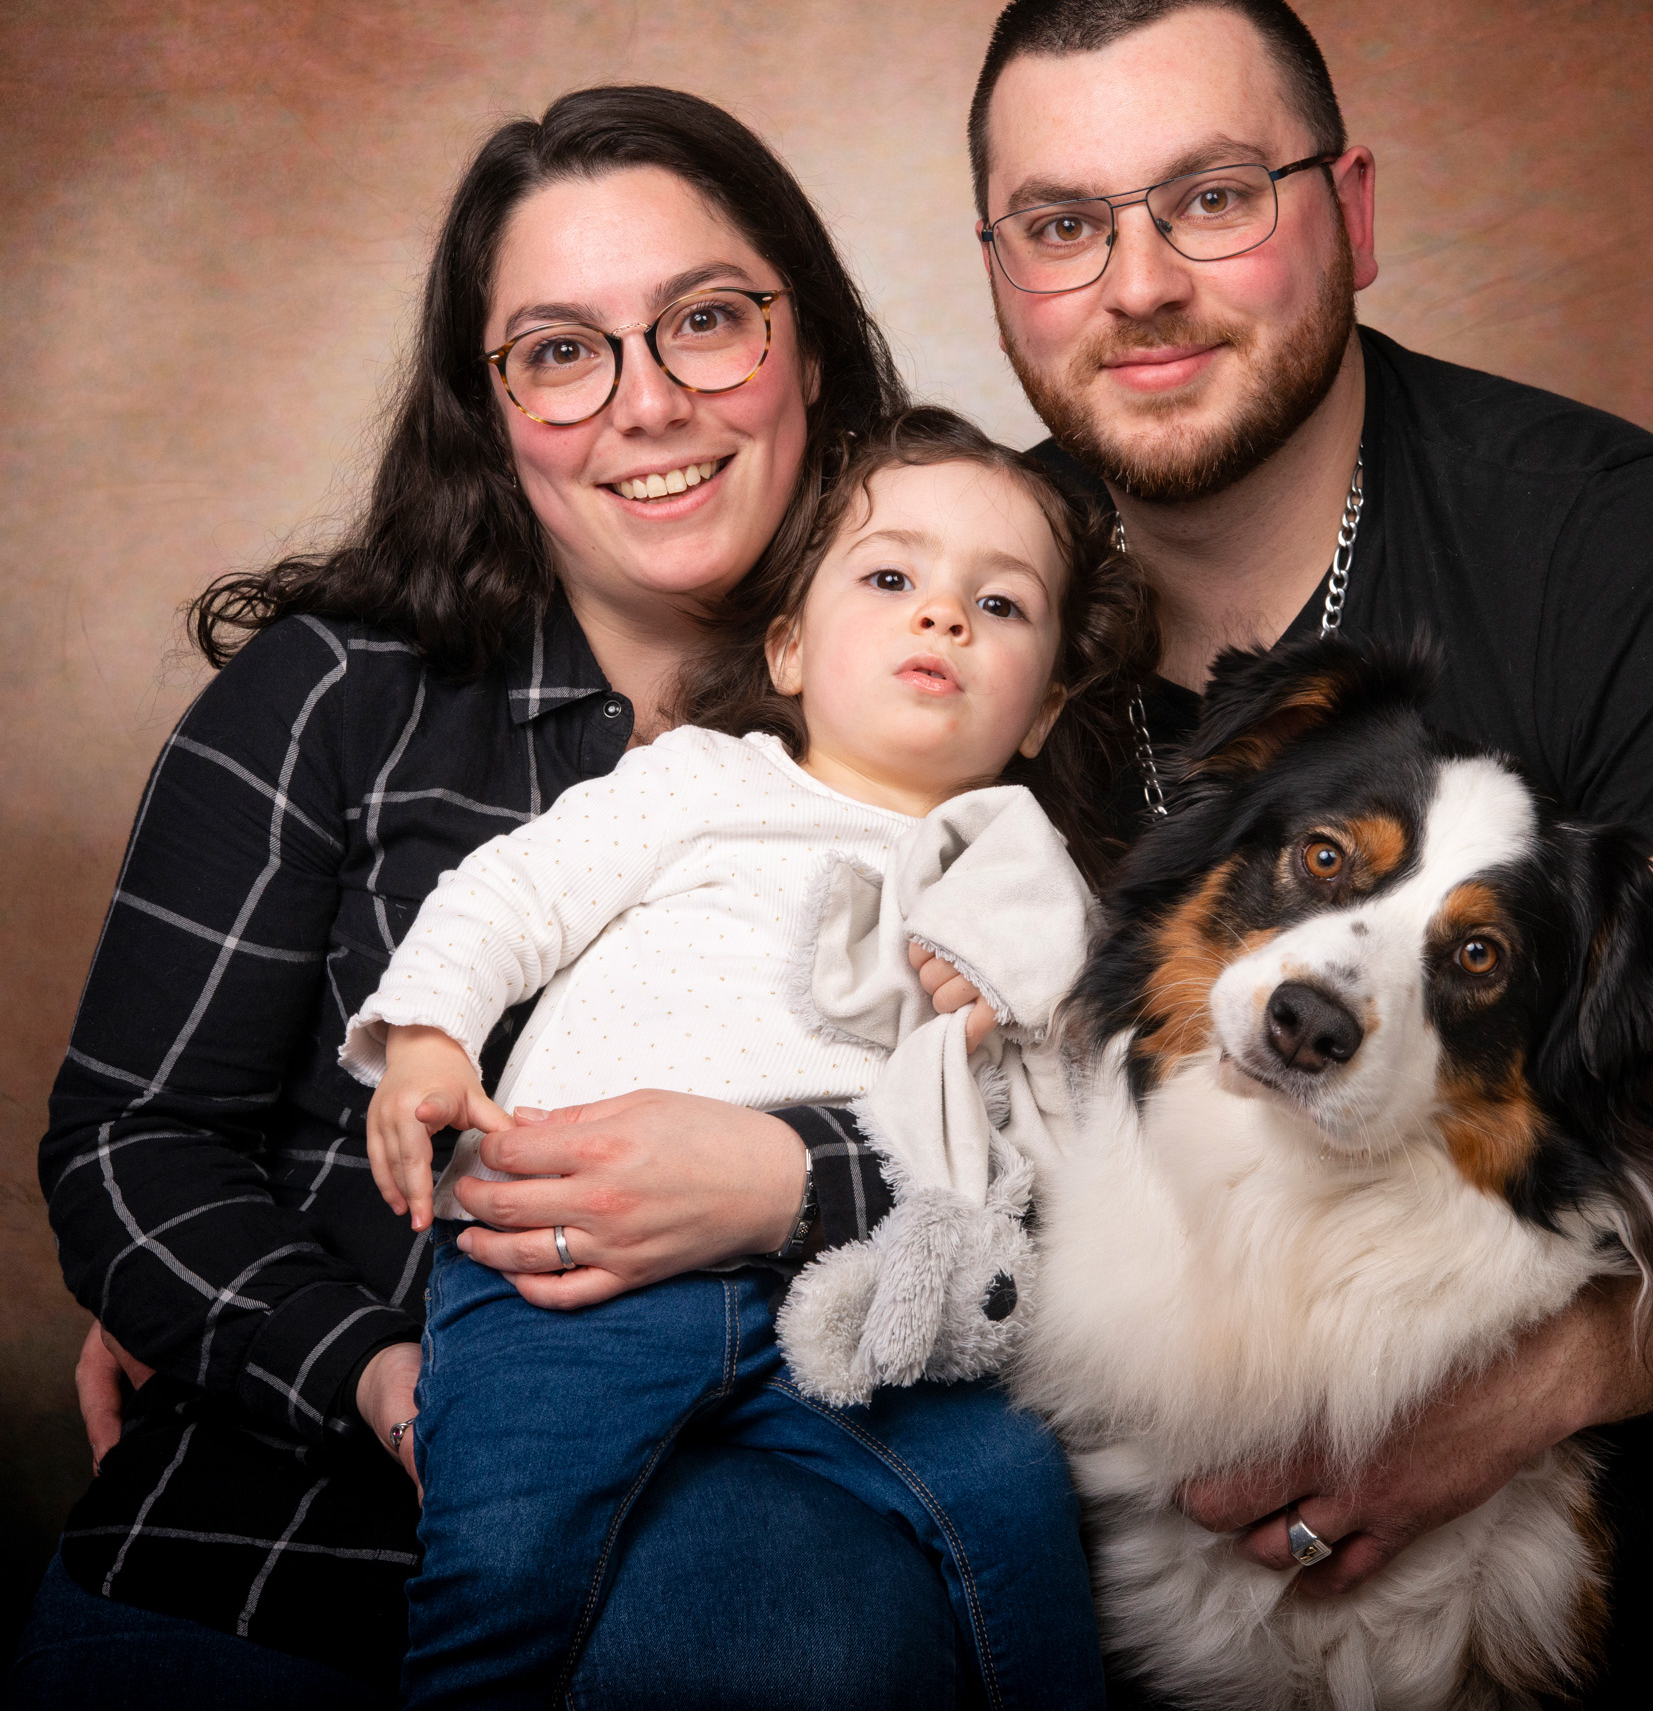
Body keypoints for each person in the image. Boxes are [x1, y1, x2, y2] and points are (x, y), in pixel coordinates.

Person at [960, 0, 1653, 1706]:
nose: (1137, 283)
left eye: (1212, 199)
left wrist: (1514, 1399)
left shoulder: (1625, 540)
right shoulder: (971, 580)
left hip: (1601, 1275)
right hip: (1174, 1304)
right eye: (1061, 225)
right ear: (999, 269)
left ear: (1349, 211)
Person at [19, 87, 1018, 1711]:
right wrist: (374, 1376)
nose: (646, 404)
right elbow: (132, 1145)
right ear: (489, 412)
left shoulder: (964, 692)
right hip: (291, 1513)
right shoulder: (328, 702)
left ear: (810, 346)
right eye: (562, 350)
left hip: (760, 1498)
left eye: (707, 321)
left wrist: (793, 1177)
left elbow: (1086, 1143)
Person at [346, 408, 1145, 1707]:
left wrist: (1015, 1006)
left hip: (852, 1292)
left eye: (998, 605)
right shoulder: (700, 781)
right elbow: (514, 893)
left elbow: (1079, 1121)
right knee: (497, 1564)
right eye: (891, 579)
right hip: (570, 1277)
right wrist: (430, 1029)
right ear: (788, 643)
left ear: (1047, 706)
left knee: (1013, 1503)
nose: (941, 618)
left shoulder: (1026, 879)